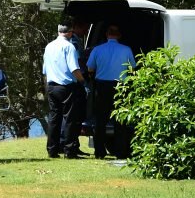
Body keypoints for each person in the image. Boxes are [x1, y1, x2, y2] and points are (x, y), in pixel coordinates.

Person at [86, 24, 136, 159]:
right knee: (120, 121)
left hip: (102, 87)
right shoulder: (126, 49)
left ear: (106, 35)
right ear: (119, 35)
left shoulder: (97, 49)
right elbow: (133, 68)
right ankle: (120, 152)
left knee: (100, 121)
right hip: (120, 87)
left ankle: (99, 152)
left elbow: (90, 68)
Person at [42, 22, 88, 159]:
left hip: (51, 86)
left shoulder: (49, 46)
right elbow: (74, 68)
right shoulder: (69, 46)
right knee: (70, 119)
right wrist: (82, 81)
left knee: (54, 119)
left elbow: (44, 69)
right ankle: (70, 150)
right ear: (70, 33)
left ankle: (52, 150)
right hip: (66, 87)